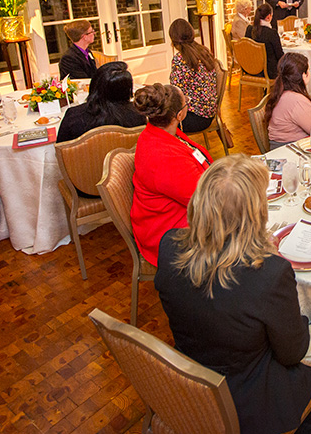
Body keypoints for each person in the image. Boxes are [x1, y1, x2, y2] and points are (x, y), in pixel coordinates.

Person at [155, 155, 311, 434]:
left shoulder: (168, 245)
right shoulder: (269, 273)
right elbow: (292, 353)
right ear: (256, 214)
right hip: (249, 402)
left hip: (191, 380)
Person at [130, 83, 211, 267]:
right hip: (170, 235)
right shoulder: (163, 156)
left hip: (180, 211)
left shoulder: (161, 134)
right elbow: (203, 200)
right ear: (179, 115)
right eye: (186, 103)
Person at [56, 61, 145, 143]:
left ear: (94, 85)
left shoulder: (74, 116)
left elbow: (61, 150)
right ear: (127, 90)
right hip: (124, 160)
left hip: (85, 160)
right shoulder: (138, 114)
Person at [266, 53, 311, 150]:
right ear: (303, 75)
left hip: (281, 146)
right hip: (290, 150)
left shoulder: (280, 93)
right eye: (308, 70)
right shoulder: (297, 101)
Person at [168, 18, 219, 133]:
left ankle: (173, 149)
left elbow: (176, 92)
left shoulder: (180, 59)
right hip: (209, 113)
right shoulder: (204, 51)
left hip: (194, 117)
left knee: (158, 120)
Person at [244, 3, 285, 80]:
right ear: (268, 17)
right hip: (269, 72)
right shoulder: (271, 33)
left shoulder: (249, 29)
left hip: (250, 69)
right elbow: (280, 56)